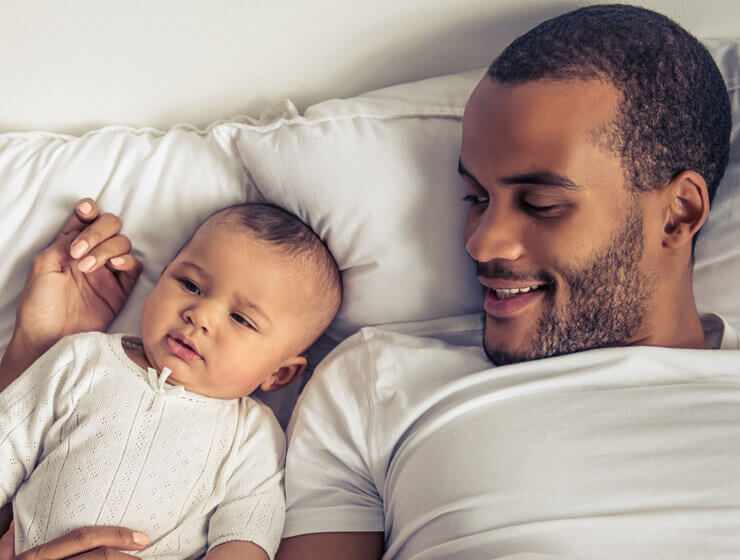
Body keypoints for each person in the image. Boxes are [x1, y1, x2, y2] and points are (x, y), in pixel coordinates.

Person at [0, 3, 737, 560]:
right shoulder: (382, 382)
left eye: (541, 203)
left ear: (679, 214)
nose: (483, 242)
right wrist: (37, 349)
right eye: (474, 197)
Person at [0, 203, 341, 560]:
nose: (200, 315)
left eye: (241, 319)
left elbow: (245, 539)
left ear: (279, 373)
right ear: (162, 278)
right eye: (190, 285)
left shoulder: (253, 439)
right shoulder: (80, 359)